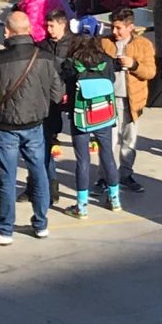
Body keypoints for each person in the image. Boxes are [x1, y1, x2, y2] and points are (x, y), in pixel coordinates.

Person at [0, 12, 63, 245]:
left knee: (7, 177)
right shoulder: (46, 57)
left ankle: (5, 230)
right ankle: (41, 224)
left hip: (6, 125)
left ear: (8, 30)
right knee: (39, 172)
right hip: (36, 124)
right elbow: (57, 93)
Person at [62, 35, 123, 219]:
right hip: (103, 113)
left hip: (80, 116)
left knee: (83, 160)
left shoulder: (71, 63)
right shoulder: (106, 60)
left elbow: (66, 85)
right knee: (107, 155)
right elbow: (111, 79)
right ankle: (114, 199)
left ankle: (82, 206)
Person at [99, 7, 157, 193]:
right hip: (109, 99)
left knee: (129, 140)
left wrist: (134, 65)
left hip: (132, 101)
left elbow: (150, 72)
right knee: (108, 140)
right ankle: (105, 176)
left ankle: (125, 174)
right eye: (112, 28)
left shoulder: (144, 45)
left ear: (130, 27)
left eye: (118, 28)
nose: (114, 32)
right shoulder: (104, 43)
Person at [35, 7, 76, 204]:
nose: (49, 29)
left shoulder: (76, 44)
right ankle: (50, 187)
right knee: (46, 142)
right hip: (49, 99)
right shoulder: (42, 46)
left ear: (63, 24)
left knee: (80, 141)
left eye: (52, 25)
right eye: (47, 25)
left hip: (73, 97)